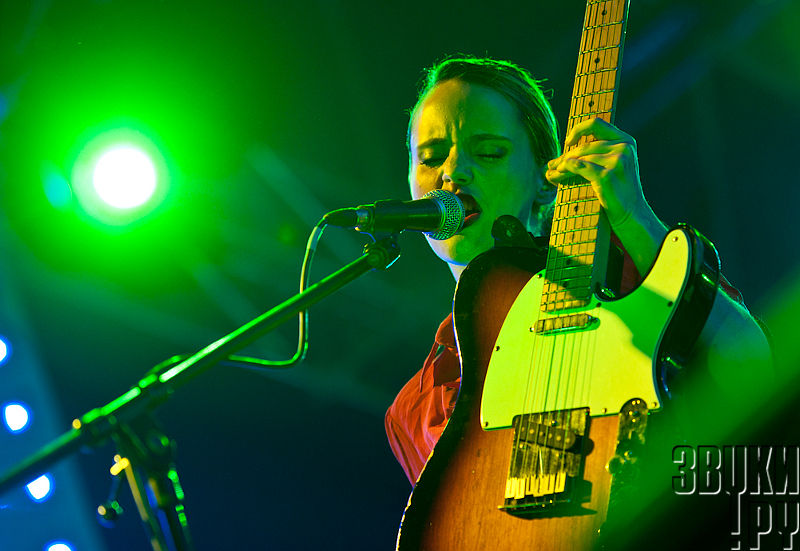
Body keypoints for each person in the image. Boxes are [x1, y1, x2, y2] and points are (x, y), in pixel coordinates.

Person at [384, 56, 772, 485]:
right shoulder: (412, 410)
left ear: (546, 180)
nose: (452, 173)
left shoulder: (632, 277)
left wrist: (633, 217)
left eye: (489, 152)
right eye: (431, 157)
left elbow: (749, 365)